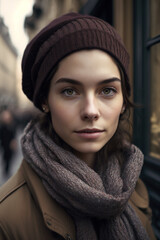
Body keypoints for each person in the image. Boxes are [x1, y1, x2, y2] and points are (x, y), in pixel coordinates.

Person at [0, 12, 156, 240]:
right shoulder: (8, 217)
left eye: (107, 91)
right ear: (45, 101)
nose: (91, 111)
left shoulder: (133, 186)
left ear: (123, 101)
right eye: (69, 91)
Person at [0, 109, 17, 176]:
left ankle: (7, 169)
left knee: (10, 157)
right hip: (4, 144)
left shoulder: (12, 125)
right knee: (5, 157)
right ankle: (6, 169)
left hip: (10, 143)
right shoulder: (2, 126)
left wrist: (14, 141)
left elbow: (13, 134)